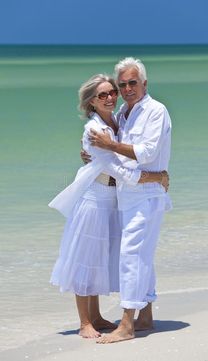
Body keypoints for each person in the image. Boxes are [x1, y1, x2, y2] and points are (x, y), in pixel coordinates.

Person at [49, 74, 169, 339]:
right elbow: (114, 167)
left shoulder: (118, 121)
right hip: (94, 199)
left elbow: (127, 153)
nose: (110, 97)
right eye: (102, 95)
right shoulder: (95, 129)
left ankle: (97, 315)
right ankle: (84, 322)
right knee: (86, 257)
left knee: (100, 257)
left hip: (113, 199)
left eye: (112, 92)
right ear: (92, 101)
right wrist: (154, 177)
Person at [87, 58, 172, 344]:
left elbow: (146, 153)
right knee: (142, 255)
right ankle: (145, 315)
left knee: (131, 256)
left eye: (132, 83)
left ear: (144, 83)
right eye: (121, 84)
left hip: (145, 197)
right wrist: (92, 154)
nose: (126, 89)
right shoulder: (124, 111)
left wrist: (109, 146)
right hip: (129, 196)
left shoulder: (156, 111)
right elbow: (114, 155)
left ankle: (126, 324)